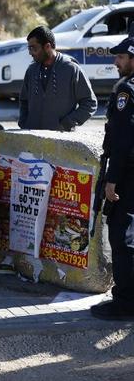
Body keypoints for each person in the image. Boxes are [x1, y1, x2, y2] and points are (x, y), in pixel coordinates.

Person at [90, 37, 134, 321]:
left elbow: (122, 141)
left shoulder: (125, 92)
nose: (115, 62)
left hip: (128, 176)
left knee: (121, 236)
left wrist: (111, 180)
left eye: (119, 57)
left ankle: (125, 302)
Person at [18, 26, 97, 130]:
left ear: (47, 46)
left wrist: (67, 123)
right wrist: (24, 123)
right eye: (29, 48)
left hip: (60, 141)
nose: (30, 53)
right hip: (33, 139)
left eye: (34, 48)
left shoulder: (71, 69)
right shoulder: (31, 70)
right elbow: (24, 100)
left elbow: (90, 103)